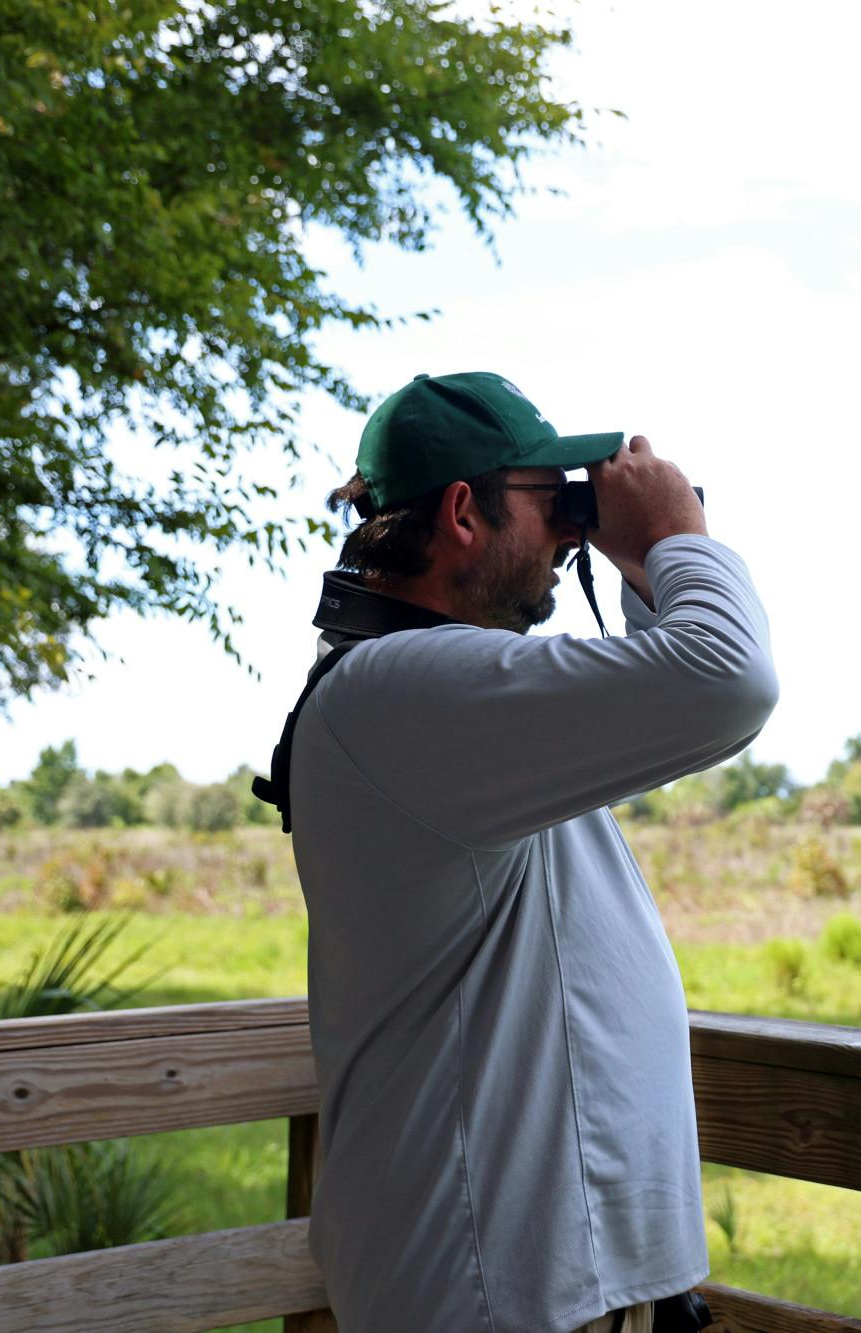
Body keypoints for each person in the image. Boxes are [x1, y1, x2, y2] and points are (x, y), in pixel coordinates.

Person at [255, 371, 778, 1332]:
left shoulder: (437, 698)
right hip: (493, 1296)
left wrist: (642, 563)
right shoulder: (404, 690)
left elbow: (673, 696)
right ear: (463, 510)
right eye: (552, 500)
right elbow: (727, 679)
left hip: (536, 1291)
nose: (570, 528)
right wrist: (670, 540)